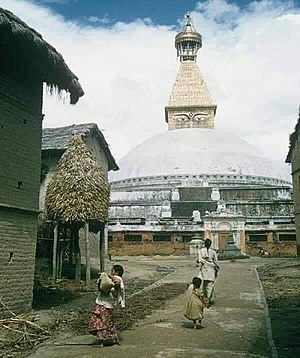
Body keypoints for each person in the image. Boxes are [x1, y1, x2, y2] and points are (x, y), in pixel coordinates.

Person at [88, 264, 125, 346]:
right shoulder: (112, 279)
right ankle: (106, 339)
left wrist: (108, 276)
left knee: (103, 323)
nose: (111, 272)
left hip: (107, 304)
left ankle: (103, 340)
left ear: (117, 272)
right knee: (103, 322)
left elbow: (116, 284)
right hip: (102, 302)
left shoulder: (118, 279)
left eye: (112, 271)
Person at [198, 238, 219, 306]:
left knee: (205, 284)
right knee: (210, 284)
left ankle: (206, 298)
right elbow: (216, 261)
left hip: (204, 268)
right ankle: (208, 298)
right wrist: (216, 269)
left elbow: (199, 260)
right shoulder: (213, 252)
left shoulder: (201, 251)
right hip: (211, 268)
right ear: (210, 244)